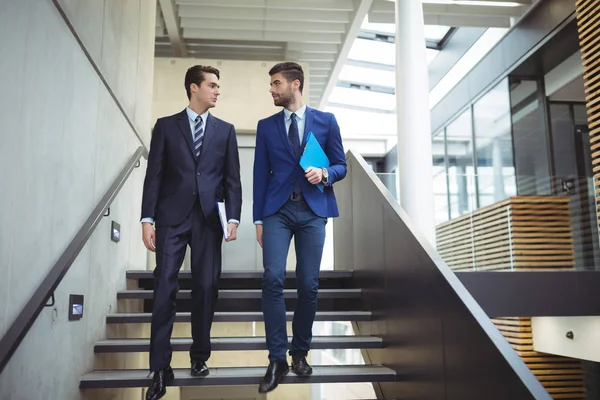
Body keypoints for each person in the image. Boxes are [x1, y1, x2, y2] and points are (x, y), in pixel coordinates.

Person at [140, 65, 242, 400]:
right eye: (212, 85)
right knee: (164, 286)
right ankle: (159, 367)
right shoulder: (166, 127)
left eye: (217, 85)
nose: (217, 91)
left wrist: (234, 219)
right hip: (171, 217)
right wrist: (147, 219)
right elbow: (153, 174)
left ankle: (199, 356)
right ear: (193, 88)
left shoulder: (225, 131)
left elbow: (232, 180)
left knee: (206, 286)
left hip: (209, 220)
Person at [252, 62, 347, 393]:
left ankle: (300, 352)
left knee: (308, 285)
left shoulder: (326, 121)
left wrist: (325, 174)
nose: (272, 89)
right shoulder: (266, 126)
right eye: (271, 84)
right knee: (272, 279)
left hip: (312, 211)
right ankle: (277, 358)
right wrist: (258, 219)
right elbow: (259, 174)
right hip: (277, 212)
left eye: (276, 83)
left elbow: (341, 165)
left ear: (296, 84)